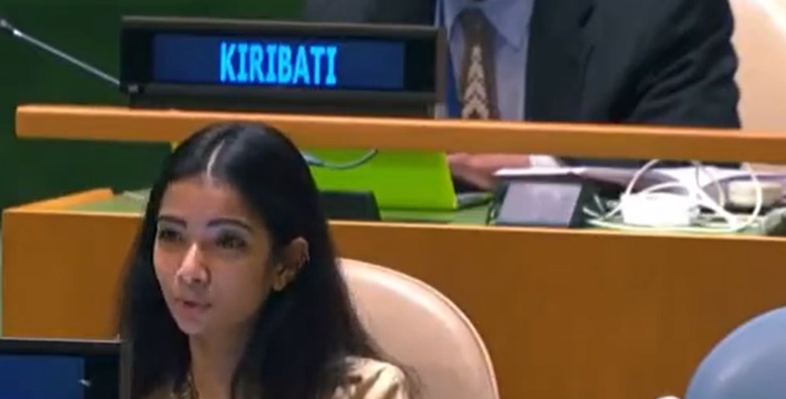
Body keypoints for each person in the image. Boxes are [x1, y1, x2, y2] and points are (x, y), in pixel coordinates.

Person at [0, 121, 453, 399]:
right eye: (170, 235)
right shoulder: (124, 394)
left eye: (226, 242)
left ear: (287, 263)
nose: (189, 269)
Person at [302, 0, 742, 188]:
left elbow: (698, 167)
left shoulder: (655, 14)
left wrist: (538, 170)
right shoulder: (344, 12)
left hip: (591, 292)